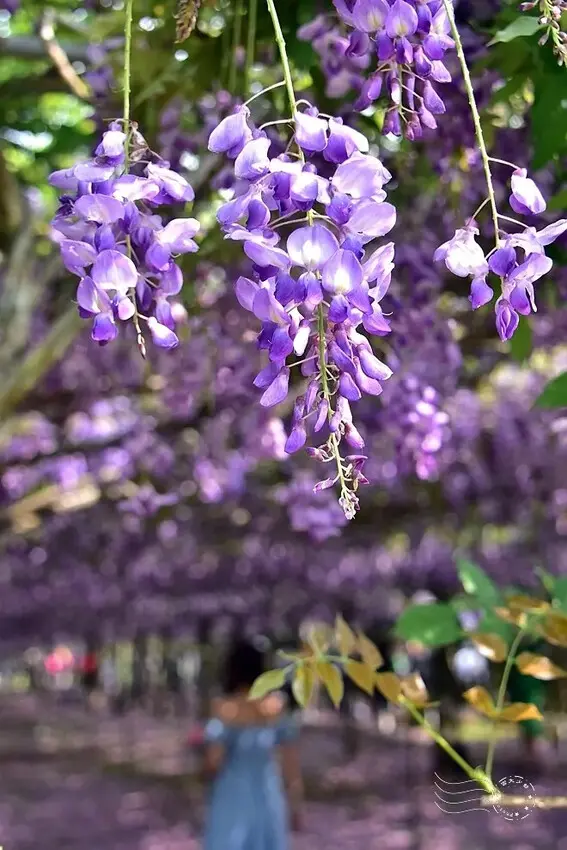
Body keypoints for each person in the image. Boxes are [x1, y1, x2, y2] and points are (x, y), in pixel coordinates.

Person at [202, 638, 303, 850]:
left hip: (231, 798)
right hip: (267, 795)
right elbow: (291, 766)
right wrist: (296, 805)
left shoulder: (225, 709)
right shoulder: (276, 708)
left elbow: (214, 761)